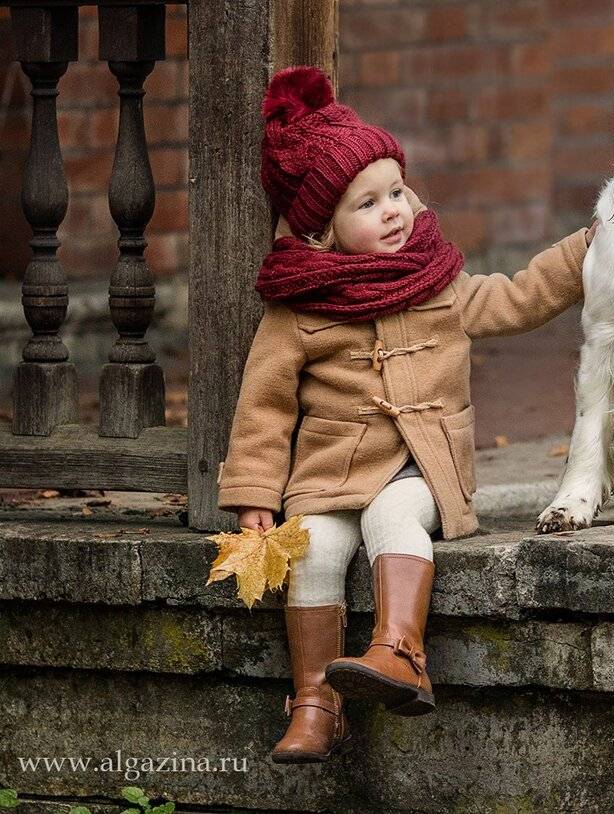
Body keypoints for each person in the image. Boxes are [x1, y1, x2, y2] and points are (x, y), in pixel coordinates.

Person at [217, 65, 593, 764]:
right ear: (324, 233)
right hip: (329, 475)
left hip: (424, 468)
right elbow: (262, 408)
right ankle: (315, 705)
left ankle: (400, 653)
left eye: (396, 191)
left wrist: (587, 250)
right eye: (367, 203)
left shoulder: (438, 280)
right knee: (316, 551)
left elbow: (516, 297)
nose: (392, 209)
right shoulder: (297, 309)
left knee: (393, 518)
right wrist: (253, 496)